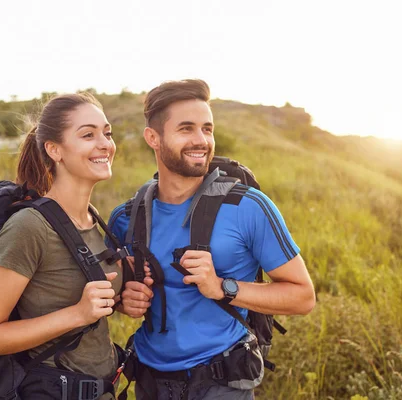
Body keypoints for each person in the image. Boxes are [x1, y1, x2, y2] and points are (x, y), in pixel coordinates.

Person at [109, 79, 316, 400]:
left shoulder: (248, 207)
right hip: (149, 382)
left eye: (207, 129)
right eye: (187, 129)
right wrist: (125, 301)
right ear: (153, 137)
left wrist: (222, 287)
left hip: (221, 382)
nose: (201, 140)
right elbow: (111, 298)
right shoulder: (126, 218)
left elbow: (302, 297)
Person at [0, 93, 122, 400]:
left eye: (107, 133)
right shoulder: (30, 226)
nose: (105, 143)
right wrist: (78, 313)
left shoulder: (93, 221)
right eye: (88, 135)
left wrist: (123, 300)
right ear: (54, 149)